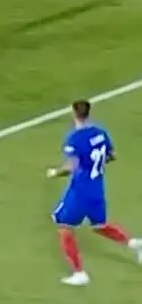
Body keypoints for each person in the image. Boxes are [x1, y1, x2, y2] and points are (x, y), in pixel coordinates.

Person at [47, 99, 142, 286]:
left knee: (64, 227)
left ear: (74, 113)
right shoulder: (100, 132)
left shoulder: (74, 138)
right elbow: (112, 156)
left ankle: (79, 273)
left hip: (80, 191)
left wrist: (55, 172)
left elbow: (72, 166)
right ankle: (134, 243)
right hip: (97, 188)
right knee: (99, 225)